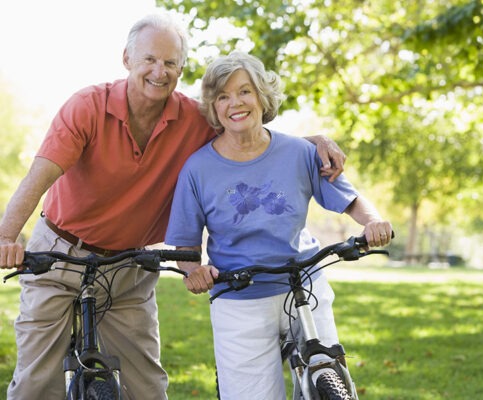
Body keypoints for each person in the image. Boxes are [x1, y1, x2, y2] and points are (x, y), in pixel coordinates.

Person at [0, 14, 346, 400]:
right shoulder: (87, 107)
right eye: (149, 60)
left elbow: (249, 132)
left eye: (170, 63)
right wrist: (6, 237)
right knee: (35, 382)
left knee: (147, 386)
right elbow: (38, 176)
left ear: (181, 68)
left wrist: (310, 142)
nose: (159, 71)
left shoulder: (193, 119)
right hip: (60, 255)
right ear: (127, 59)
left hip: (130, 266)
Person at [164, 51, 393, 399]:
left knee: (331, 380)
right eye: (222, 96)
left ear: (261, 96)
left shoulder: (300, 152)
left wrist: (374, 222)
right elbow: (184, 244)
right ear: (213, 107)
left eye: (244, 91)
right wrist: (193, 271)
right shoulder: (197, 169)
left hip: (305, 285)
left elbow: (351, 200)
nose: (235, 103)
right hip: (238, 296)